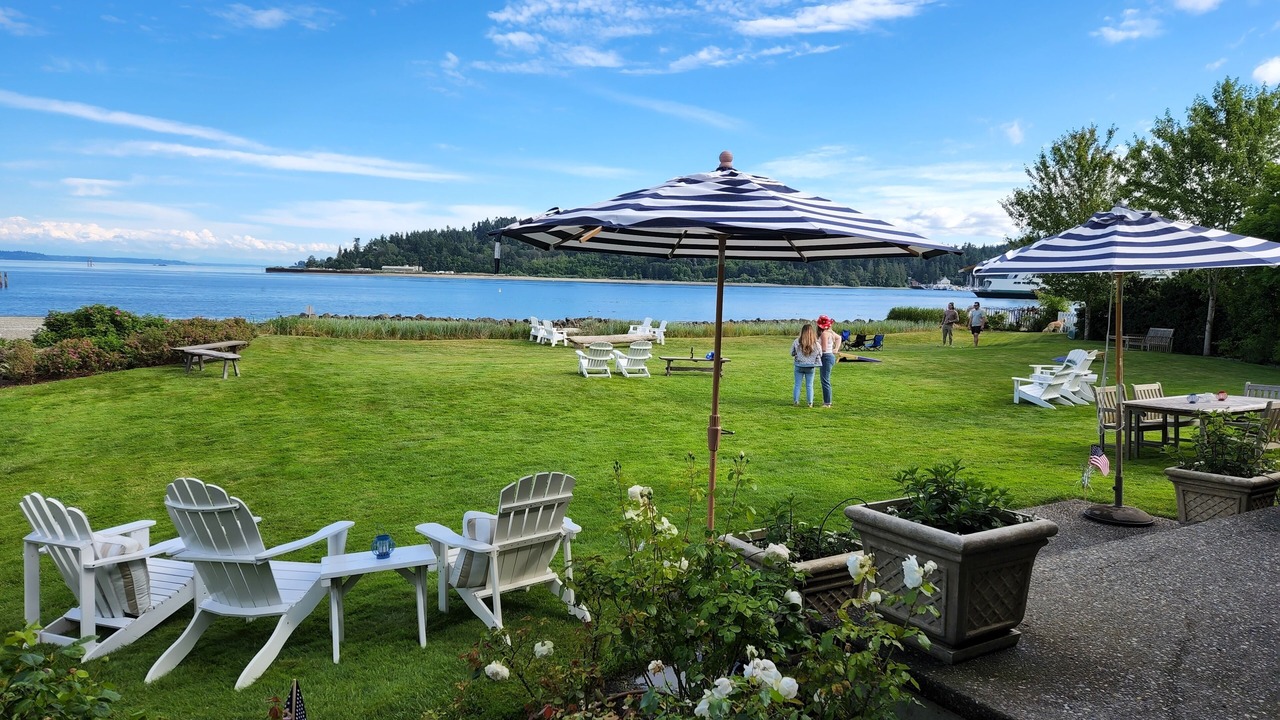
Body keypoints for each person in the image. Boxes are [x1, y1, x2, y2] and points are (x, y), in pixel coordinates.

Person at [790, 323, 821, 407]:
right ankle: (810, 402)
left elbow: (792, 353)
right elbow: (820, 354)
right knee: (809, 385)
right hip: (810, 366)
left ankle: (796, 401)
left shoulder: (797, 341)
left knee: (797, 385)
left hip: (799, 365)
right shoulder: (816, 344)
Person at [816, 314, 839, 407]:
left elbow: (824, 349)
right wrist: (836, 348)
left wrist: (815, 349)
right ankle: (827, 401)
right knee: (825, 379)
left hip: (825, 357)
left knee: (825, 380)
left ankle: (827, 402)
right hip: (830, 356)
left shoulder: (824, 334)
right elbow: (839, 338)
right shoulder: (831, 332)